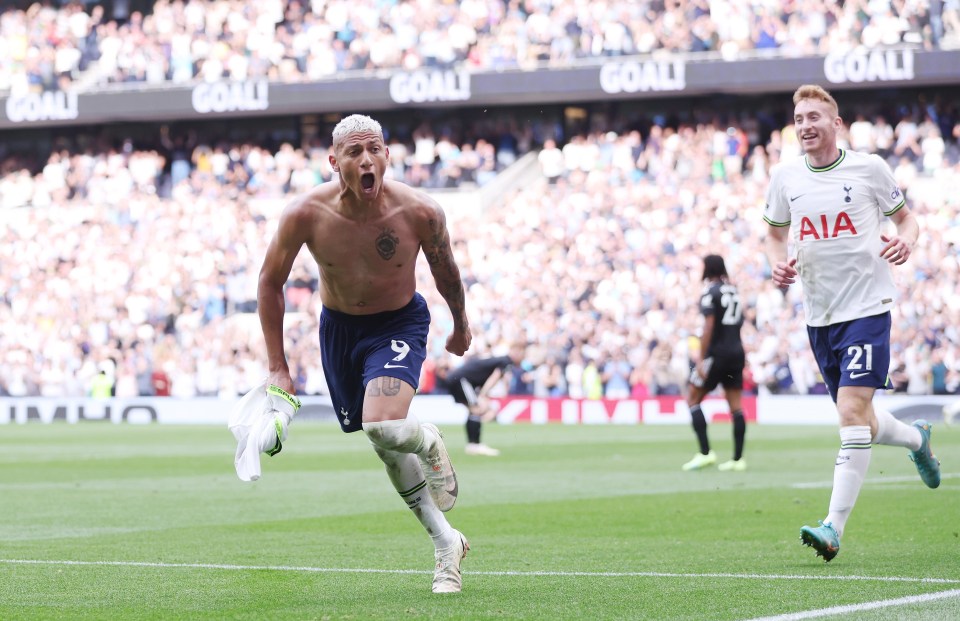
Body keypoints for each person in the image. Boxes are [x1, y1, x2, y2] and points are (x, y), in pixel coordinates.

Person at [257, 114, 473, 593]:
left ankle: (430, 439)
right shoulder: (304, 214)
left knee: (385, 425)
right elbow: (270, 282)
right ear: (334, 162)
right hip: (339, 331)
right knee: (383, 444)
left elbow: (446, 271)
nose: (366, 159)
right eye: (354, 152)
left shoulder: (421, 212)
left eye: (374, 149)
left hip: (398, 323)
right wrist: (278, 367)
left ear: (387, 155)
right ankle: (446, 544)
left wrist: (460, 324)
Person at [763, 85, 941, 562]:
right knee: (859, 418)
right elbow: (774, 235)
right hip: (818, 315)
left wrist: (907, 241)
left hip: (866, 307)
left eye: (815, 116)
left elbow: (908, 220)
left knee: (850, 413)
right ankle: (916, 438)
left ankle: (832, 527)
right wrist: (776, 263)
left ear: (835, 124)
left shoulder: (869, 169)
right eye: (799, 117)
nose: (805, 125)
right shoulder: (784, 177)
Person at [682, 254, 747, 472]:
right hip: (737, 352)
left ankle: (705, 453)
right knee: (736, 406)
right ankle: (738, 460)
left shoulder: (710, 292)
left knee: (693, 398)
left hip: (716, 354)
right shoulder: (734, 290)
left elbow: (709, 327)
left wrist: (700, 358)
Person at [440, 341, 527, 457]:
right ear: (516, 352)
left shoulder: (499, 360)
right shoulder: (506, 361)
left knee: (474, 410)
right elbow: (494, 377)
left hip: (456, 379)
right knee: (477, 409)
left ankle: (473, 445)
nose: (523, 357)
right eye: (522, 354)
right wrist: (483, 394)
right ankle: (475, 445)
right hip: (462, 379)